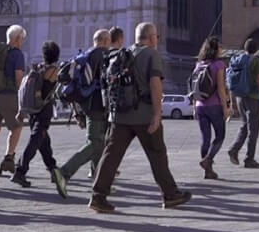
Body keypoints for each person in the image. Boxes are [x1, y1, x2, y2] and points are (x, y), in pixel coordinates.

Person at [89, 22, 191, 213]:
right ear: (152, 38)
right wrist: (157, 114)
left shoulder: (122, 53)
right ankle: (170, 194)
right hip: (143, 115)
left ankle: (98, 197)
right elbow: (155, 85)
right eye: (157, 37)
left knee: (111, 156)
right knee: (157, 154)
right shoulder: (152, 54)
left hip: (120, 115)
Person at [11, 40, 68, 197]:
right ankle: (20, 171)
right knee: (36, 139)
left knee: (43, 141)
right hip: (44, 110)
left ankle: (53, 168)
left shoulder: (39, 68)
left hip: (34, 110)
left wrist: (21, 111)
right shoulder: (53, 71)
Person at [59, 28, 112, 185]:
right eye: (108, 41)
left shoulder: (85, 55)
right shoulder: (102, 56)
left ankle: (99, 182)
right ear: (105, 41)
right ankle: (64, 171)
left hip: (87, 104)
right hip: (97, 105)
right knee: (95, 143)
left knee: (99, 142)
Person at [0, 25, 27, 178]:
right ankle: (8, 158)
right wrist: (19, 93)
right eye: (22, 38)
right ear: (17, 38)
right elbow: (18, 76)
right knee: (16, 127)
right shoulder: (17, 54)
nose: (22, 41)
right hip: (9, 95)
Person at [227, 37, 259, 169]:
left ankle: (234, 149)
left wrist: (232, 100)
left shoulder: (237, 59)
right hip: (252, 97)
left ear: (244, 48)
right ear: (256, 50)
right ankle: (249, 159)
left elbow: (231, 80)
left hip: (240, 97)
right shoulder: (254, 61)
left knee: (245, 125)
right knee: (253, 129)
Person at [192, 35, 229, 180]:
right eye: (220, 46)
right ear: (215, 49)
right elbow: (220, 87)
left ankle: (208, 171)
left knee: (205, 138)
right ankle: (208, 160)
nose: (222, 49)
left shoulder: (199, 64)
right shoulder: (218, 65)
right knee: (220, 135)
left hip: (200, 105)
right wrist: (225, 108)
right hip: (214, 105)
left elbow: (194, 87)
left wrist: (195, 107)